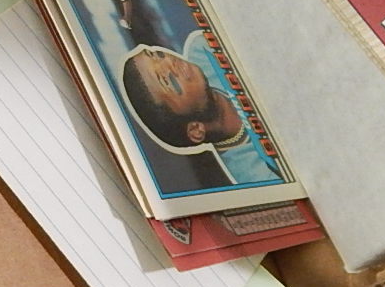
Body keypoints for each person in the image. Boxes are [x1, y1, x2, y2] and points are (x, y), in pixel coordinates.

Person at [119, 33, 284, 184]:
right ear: (196, 130)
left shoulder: (204, 50)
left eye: (158, 55)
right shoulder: (255, 174)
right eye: (168, 81)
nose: (170, 61)